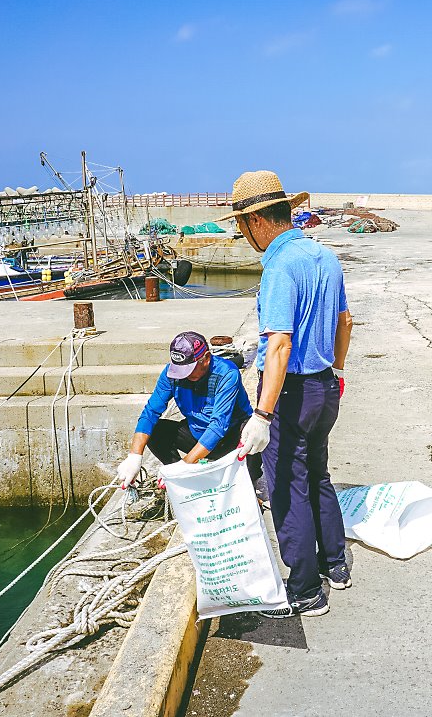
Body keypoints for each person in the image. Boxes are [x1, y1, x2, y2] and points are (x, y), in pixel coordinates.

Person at [221, 170, 354, 619]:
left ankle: (304, 590)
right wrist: (336, 370)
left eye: (242, 226)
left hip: (291, 393)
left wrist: (261, 413)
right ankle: (335, 565)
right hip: (324, 386)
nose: (243, 235)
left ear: (256, 221)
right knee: (318, 473)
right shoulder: (324, 255)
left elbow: (278, 344)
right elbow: (346, 322)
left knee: (285, 486)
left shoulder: (279, 266)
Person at [116, 331, 252, 487]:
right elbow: (150, 412)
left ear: (206, 359)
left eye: (190, 369)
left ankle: (248, 484)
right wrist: (134, 455)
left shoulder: (227, 374)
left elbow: (218, 426)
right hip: (197, 434)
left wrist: (186, 464)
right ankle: (183, 479)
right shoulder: (171, 374)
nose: (185, 376)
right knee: (156, 430)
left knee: (252, 434)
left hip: (230, 438)